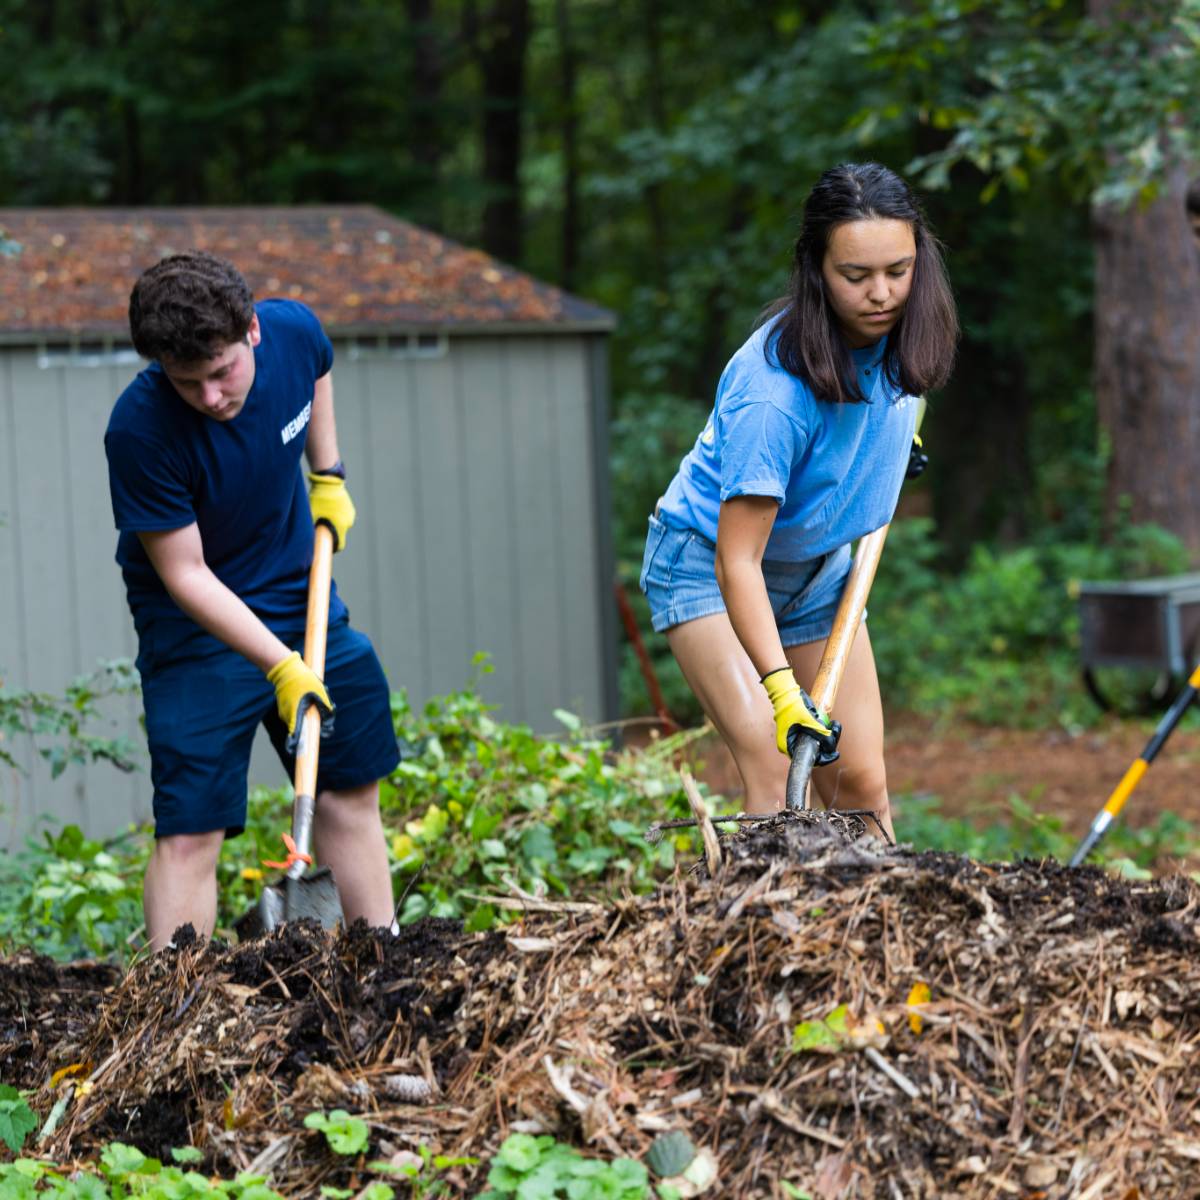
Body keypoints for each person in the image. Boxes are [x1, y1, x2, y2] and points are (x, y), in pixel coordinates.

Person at [639, 162, 958, 838]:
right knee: (773, 759)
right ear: (816, 268)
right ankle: (770, 933)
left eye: (898, 271)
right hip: (709, 567)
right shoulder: (772, 393)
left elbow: (889, 401)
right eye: (855, 276)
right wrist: (783, 692)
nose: (881, 294)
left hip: (816, 568)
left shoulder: (908, 331)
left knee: (860, 781)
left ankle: (887, 931)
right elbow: (738, 561)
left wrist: (895, 440)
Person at [105, 252, 399, 950]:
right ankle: (174, 1009)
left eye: (222, 371)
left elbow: (317, 371)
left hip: (302, 592)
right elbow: (186, 575)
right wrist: (281, 666)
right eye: (188, 382)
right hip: (196, 630)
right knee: (192, 827)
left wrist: (327, 472)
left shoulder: (292, 331)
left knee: (348, 783)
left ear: (253, 333)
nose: (210, 397)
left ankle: (385, 956)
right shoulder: (140, 431)